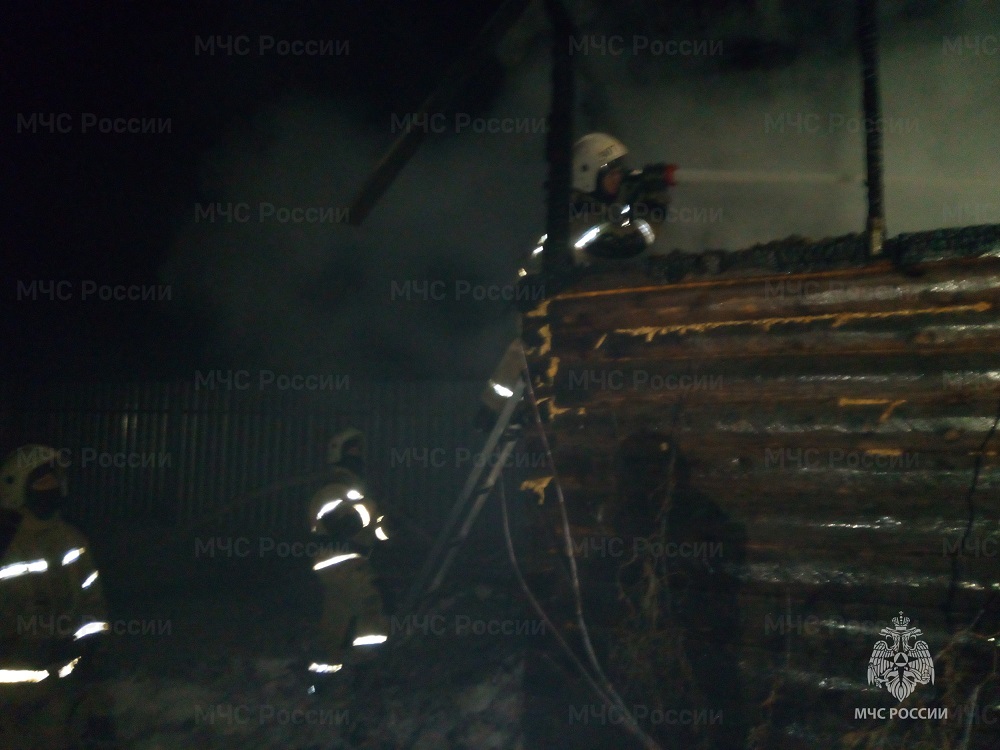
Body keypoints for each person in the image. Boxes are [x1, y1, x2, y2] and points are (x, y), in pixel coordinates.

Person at [0, 444, 112, 749]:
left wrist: (97, 703)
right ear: (17, 487)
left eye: (55, 482)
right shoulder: (6, 544)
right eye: (41, 483)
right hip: (8, 710)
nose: (50, 490)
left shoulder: (72, 541)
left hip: (60, 703)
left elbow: (93, 611)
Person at [519, 132, 676, 275]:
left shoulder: (594, 206)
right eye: (611, 174)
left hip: (567, 292)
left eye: (619, 172)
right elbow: (626, 244)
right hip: (548, 294)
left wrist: (643, 186)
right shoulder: (577, 213)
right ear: (588, 177)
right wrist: (655, 202)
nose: (618, 178)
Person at [305, 429, 389, 685]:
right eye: (351, 450)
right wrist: (351, 519)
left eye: (358, 450)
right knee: (370, 602)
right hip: (341, 559)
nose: (357, 455)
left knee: (336, 616)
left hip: (348, 561)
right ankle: (366, 666)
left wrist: (389, 525)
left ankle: (323, 675)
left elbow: (378, 532)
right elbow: (333, 520)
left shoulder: (359, 492)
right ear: (339, 454)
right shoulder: (333, 488)